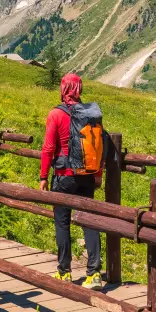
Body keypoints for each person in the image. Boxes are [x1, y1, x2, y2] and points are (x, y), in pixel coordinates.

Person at [39, 72, 103, 290]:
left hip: (64, 176)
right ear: (79, 89)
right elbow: (98, 146)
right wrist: (98, 175)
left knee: (62, 222)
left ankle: (64, 272)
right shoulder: (91, 114)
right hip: (86, 175)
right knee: (89, 222)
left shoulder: (55, 115)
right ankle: (94, 274)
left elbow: (48, 148)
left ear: (63, 89)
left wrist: (43, 177)